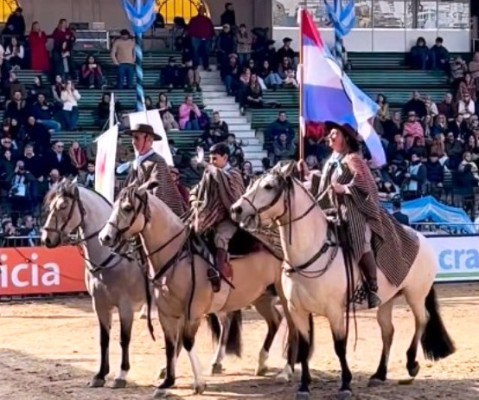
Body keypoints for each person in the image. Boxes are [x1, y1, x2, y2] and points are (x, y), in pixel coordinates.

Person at [299, 121, 419, 309]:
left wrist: (345, 188)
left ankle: (372, 287)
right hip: (331, 210)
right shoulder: (332, 159)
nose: (329, 136)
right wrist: (307, 175)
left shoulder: (353, 159)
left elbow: (367, 185)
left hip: (353, 211)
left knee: (360, 239)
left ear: (345, 138)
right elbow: (323, 184)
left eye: (334, 134)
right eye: (330, 134)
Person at [189, 143, 245, 292]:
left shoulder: (234, 174)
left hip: (229, 217)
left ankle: (220, 274)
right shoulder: (209, 173)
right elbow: (196, 190)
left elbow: (235, 198)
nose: (212, 161)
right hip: (208, 215)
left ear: (225, 157)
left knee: (220, 238)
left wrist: (207, 165)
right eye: (210, 158)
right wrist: (195, 200)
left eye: (215, 158)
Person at [123, 123, 186, 217]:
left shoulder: (158, 161)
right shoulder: (137, 163)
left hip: (156, 217)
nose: (133, 142)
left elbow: (159, 195)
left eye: (136, 138)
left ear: (149, 140)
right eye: (132, 138)